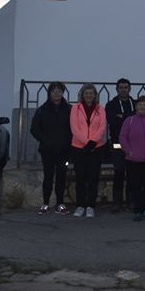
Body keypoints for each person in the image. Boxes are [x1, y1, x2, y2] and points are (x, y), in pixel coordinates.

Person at [29, 81, 72, 215]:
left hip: (64, 150)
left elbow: (74, 128)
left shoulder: (70, 109)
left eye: (59, 91)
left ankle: (60, 203)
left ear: (62, 93)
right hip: (47, 150)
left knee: (61, 176)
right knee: (48, 176)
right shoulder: (42, 110)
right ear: (49, 93)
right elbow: (34, 129)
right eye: (54, 91)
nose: (57, 93)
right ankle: (45, 204)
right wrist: (45, 141)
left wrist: (68, 142)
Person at [69, 83, 107, 218]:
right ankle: (80, 205)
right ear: (82, 95)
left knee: (93, 177)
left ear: (95, 95)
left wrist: (93, 142)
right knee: (80, 177)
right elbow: (74, 127)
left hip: (96, 148)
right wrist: (86, 142)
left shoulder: (100, 109)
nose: (89, 95)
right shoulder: (75, 108)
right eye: (86, 93)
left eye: (91, 93)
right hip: (79, 147)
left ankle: (90, 205)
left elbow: (102, 127)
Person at [105, 78, 137, 213]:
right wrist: (127, 117)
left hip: (133, 145)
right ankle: (116, 202)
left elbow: (136, 121)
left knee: (132, 174)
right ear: (117, 89)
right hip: (117, 144)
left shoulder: (135, 103)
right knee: (118, 173)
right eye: (121, 87)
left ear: (129, 89)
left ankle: (131, 201)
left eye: (126, 87)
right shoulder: (111, 104)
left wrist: (122, 117)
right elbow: (112, 121)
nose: (123, 89)